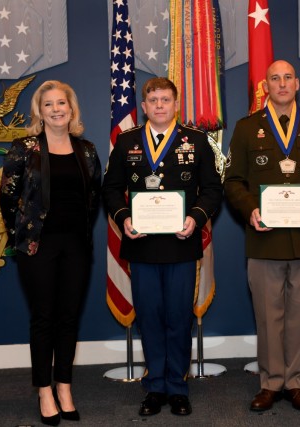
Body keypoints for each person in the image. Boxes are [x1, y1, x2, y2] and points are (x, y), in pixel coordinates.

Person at [224, 60, 300, 412]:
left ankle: (297, 383)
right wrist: (251, 210)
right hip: (265, 237)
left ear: (297, 83)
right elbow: (233, 181)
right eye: (275, 78)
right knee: (267, 314)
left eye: (288, 77)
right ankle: (271, 382)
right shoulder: (247, 128)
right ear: (267, 86)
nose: (282, 83)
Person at [102, 77, 222, 417]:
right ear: (143, 106)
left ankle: (178, 387)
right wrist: (124, 217)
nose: (159, 105)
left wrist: (196, 219)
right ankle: (155, 386)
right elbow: (110, 189)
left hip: (181, 245)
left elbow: (212, 189)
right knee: (151, 319)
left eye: (165, 99)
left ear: (175, 103)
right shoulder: (126, 141)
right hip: (141, 247)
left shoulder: (197, 140)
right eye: (152, 100)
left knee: (178, 318)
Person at [0, 80, 101, 425]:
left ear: (71, 108)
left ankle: (64, 386)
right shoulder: (23, 148)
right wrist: (25, 237)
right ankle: (44, 389)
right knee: (44, 318)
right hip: (37, 246)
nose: (57, 109)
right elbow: (7, 200)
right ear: (39, 112)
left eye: (62, 103)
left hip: (76, 246)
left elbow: (94, 199)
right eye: (49, 105)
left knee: (69, 317)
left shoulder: (86, 150)